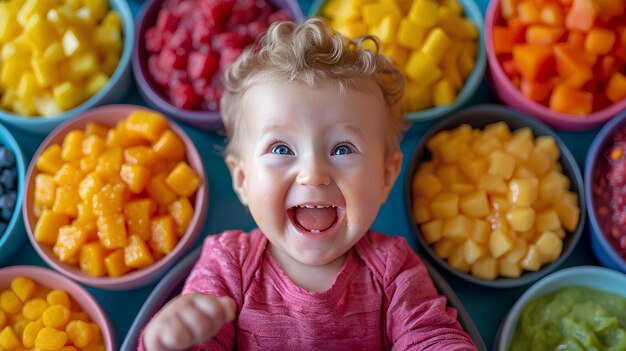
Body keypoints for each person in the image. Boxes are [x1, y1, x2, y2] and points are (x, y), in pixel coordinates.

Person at [140, 18, 477, 351]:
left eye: (342, 149)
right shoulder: (228, 263)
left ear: (386, 176)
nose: (313, 173)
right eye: (281, 149)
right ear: (242, 178)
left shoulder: (393, 267)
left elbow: (432, 336)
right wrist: (169, 340)